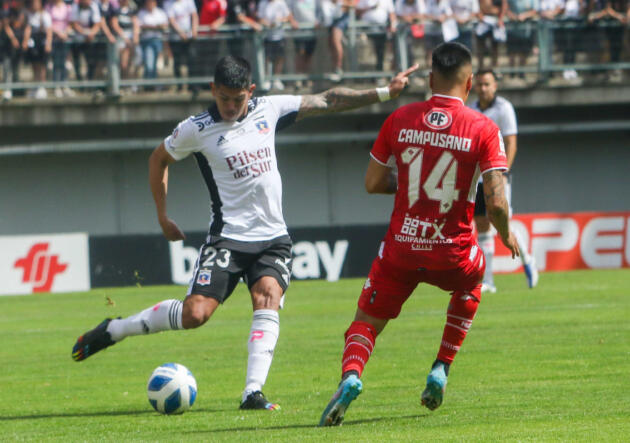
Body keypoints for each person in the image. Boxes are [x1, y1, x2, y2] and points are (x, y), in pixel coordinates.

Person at [72, 55, 417, 411]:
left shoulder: (269, 109)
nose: (232, 107)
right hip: (228, 237)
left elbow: (328, 100)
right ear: (213, 91)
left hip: (273, 238)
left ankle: (252, 392)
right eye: (224, 99)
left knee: (267, 296)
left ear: (250, 91)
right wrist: (162, 215)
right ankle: (116, 330)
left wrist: (383, 92)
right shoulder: (196, 128)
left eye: (239, 99)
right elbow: (157, 159)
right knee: (195, 315)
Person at [319, 42, 519, 427]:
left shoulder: (400, 119)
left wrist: (412, 178)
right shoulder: (484, 128)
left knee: (366, 321)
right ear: (471, 82)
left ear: (429, 79)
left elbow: (373, 182)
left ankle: (351, 376)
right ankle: (441, 367)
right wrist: (506, 234)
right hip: (453, 252)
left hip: (402, 249)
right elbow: (495, 203)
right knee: (472, 285)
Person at [469, 69, 538, 293]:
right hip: (477, 178)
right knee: (481, 224)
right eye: (479, 84)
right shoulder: (471, 109)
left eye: (487, 84)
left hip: (496, 175)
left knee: (502, 222)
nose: (483, 88)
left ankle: (528, 260)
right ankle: (488, 280)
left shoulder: (504, 108)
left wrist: (502, 172)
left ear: (495, 86)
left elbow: (511, 142)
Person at [166, 0, 198, 90]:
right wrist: (181, 33)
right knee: (177, 62)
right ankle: (179, 86)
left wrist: (194, 29)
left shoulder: (189, 1)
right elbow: (171, 20)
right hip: (175, 39)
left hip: (189, 38)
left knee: (192, 60)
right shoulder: (168, 3)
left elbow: (194, 15)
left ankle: (192, 85)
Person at [23, 0, 52, 99]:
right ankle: (35, 86)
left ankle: (42, 86)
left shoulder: (45, 15)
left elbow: (49, 31)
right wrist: (25, 41)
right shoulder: (31, 15)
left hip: (42, 42)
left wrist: (48, 43)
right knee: (34, 65)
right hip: (34, 42)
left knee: (42, 65)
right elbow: (28, 28)